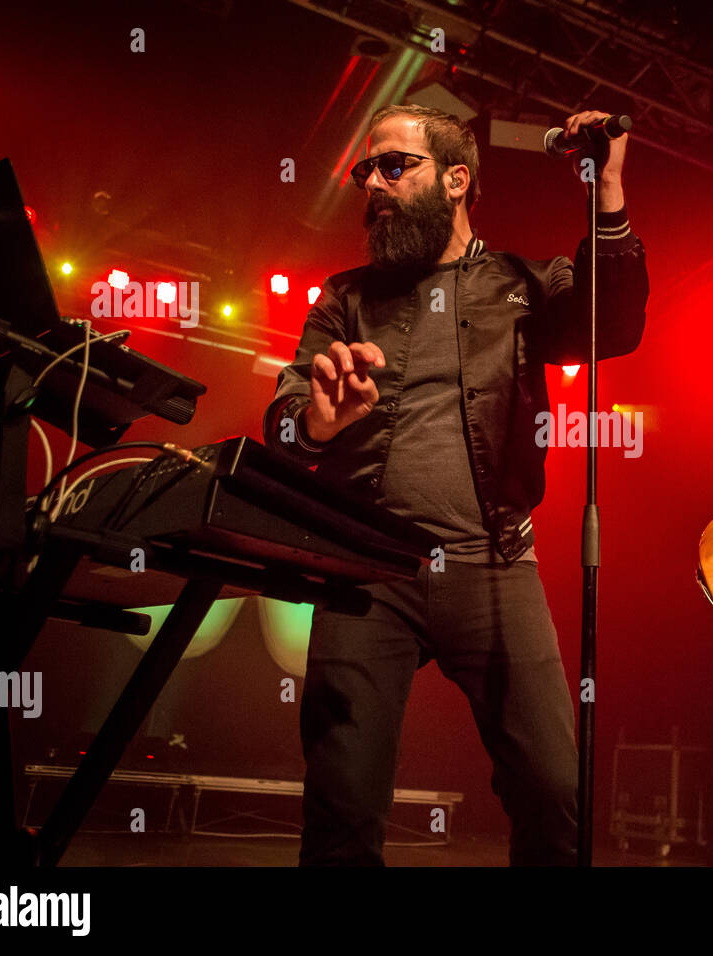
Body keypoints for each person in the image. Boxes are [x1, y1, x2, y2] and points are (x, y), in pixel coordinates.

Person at [262, 104, 648, 865]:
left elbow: (618, 324)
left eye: (394, 165)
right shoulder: (345, 298)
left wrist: (606, 189)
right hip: (365, 575)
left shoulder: (521, 283)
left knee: (553, 791)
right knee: (341, 804)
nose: (372, 180)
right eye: (365, 169)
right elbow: (278, 426)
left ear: (457, 179)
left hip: (495, 564)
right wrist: (315, 422)